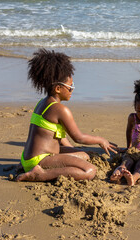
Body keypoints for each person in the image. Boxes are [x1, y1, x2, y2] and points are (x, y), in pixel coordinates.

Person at [17, 48, 117, 182]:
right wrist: (101, 140)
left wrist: (75, 153)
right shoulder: (60, 109)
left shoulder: (42, 103)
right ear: (58, 88)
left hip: (27, 159)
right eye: (70, 86)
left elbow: (57, 137)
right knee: (89, 170)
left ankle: (31, 168)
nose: (72, 89)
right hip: (40, 160)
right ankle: (40, 174)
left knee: (83, 156)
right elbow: (79, 138)